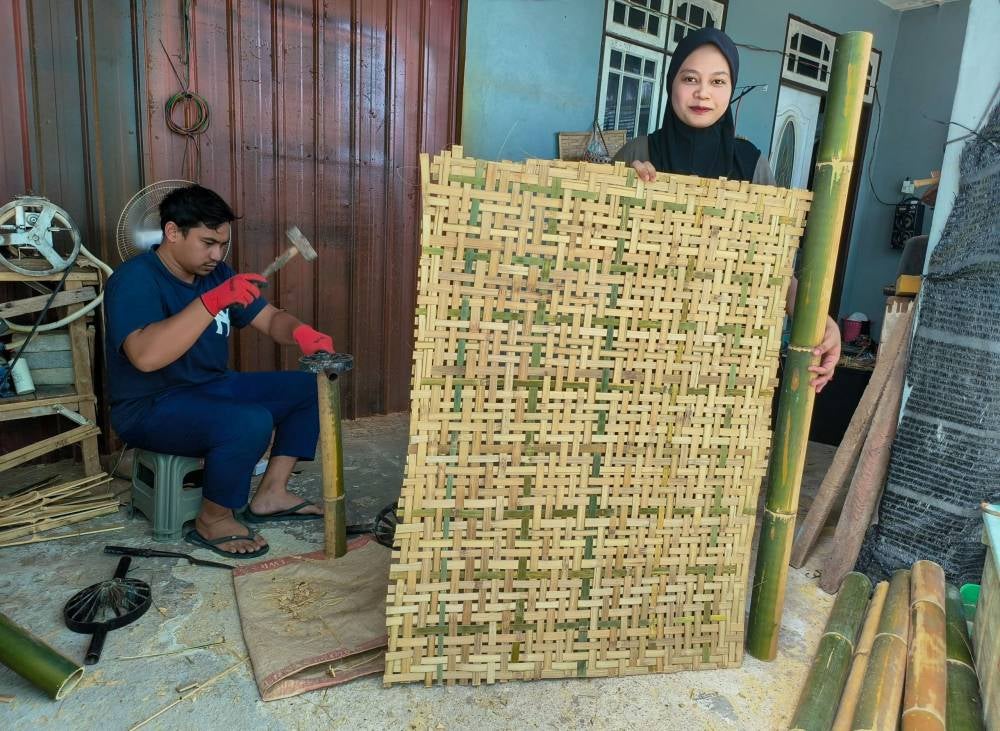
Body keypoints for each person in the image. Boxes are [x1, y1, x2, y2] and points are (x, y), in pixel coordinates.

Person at [104, 185, 336, 558]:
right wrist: (212, 302)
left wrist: (300, 333)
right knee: (248, 421)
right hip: (151, 405)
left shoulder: (216, 274)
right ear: (172, 232)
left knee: (308, 387)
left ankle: (271, 494)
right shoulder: (134, 279)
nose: (216, 255)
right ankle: (213, 519)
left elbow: (269, 318)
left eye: (222, 245)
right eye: (207, 243)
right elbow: (145, 357)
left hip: (212, 386)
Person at [614, 27, 841, 391]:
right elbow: (599, 256)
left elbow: (776, 271)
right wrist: (622, 189)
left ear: (731, 89)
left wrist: (821, 324)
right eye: (690, 78)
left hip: (722, 364)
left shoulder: (750, 166)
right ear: (672, 83)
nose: (703, 92)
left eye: (718, 81)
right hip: (636, 355)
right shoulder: (636, 155)